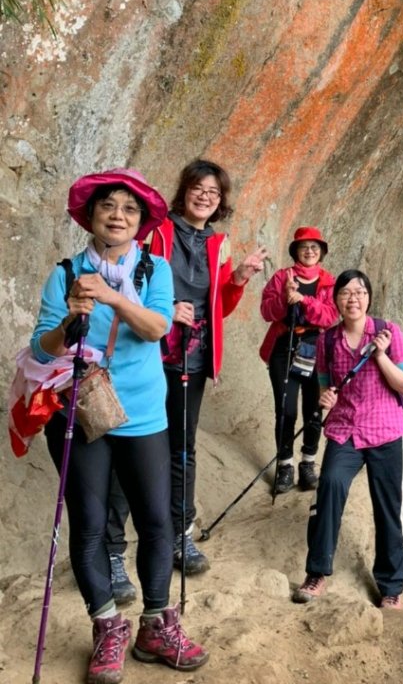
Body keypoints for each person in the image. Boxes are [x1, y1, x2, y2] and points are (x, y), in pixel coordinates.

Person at [30, 168, 208, 684]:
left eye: (129, 210)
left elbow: (156, 327)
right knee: (88, 525)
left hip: (144, 414)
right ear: (91, 216)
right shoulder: (64, 275)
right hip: (81, 412)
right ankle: (107, 626)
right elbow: (43, 345)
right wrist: (70, 319)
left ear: (141, 224)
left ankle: (156, 624)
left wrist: (110, 297)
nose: (118, 216)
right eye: (108, 206)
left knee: (156, 520)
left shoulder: (154, 271)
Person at [107, 159, 268, 597]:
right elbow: (126, 283)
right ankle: (112, 551)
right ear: (185, 190)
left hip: (192, 361)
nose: (205, 197)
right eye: (198, 188)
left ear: (220, 202)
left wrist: (237, 279)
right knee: (132, 447)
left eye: (214, 193)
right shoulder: (156, 232)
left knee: (182, 447)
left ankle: (180, 534)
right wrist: (165, 310)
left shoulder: (218, 244)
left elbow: (219, 309)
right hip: (148, 354)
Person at [293, 269, 403, 609]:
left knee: (389, 507)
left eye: (360, 292)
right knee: (329, 485)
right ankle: (317, 572)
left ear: (369, 298)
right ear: (336, 301)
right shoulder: (327, 341)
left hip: (386, 429)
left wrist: (379, 355)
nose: (353, 298)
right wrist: (325, 399)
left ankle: (391, 586)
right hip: (345, 428)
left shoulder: (389, 332)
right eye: (346, 293)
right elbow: (324, 384)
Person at [260, 227, 338, 493]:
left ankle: (308, 462)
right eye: (304, 247)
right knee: (286, 410)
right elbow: (266, 311)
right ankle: (285, 464)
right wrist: (285, 297)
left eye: (315, 247)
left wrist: (303, 300)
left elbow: (329, 317)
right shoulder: (283, 277)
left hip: (317, 348)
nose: (309, 251)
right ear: (295, 251)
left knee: (314, 410)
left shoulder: (328, 281)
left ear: (321, 252)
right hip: (286, 346)